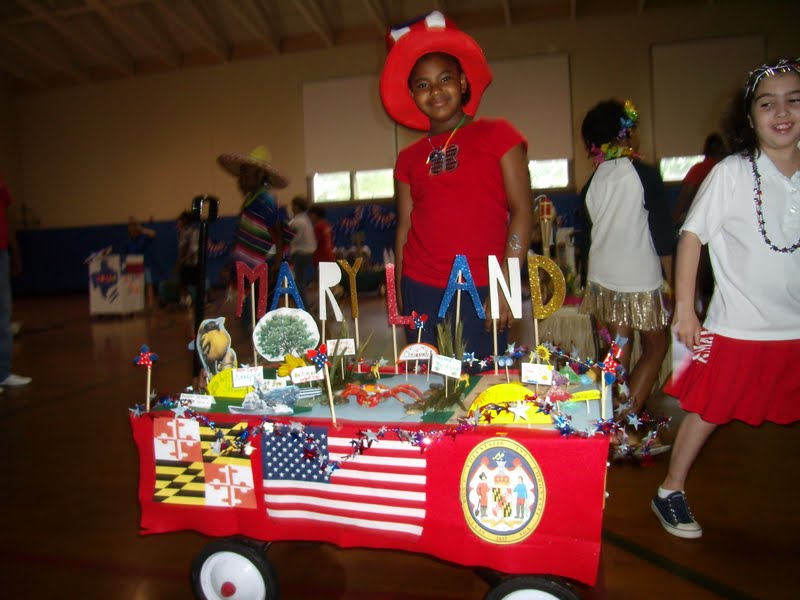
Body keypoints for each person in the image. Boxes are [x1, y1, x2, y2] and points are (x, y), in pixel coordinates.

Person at [652, 58, 800, 539]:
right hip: (735, 325)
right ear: (749, 116)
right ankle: (669, 490)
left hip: (795, 327)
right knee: (707, 409)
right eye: (767, 103)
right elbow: (691, 236)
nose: (781, 112)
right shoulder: (733, 173)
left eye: (794, 100)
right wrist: (686, 308)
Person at [380, 11, 531, 361]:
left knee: (483, 392)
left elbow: (522, 211)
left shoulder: (499, 135)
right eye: (422, 84)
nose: (435, 90)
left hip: (482, 287)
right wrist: (401, 294)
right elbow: (404, 229)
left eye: (445, 78)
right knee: (430, 392)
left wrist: (506, 286)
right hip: (420, 287)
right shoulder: (408, 158)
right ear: (412, 95)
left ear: (463, 82)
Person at [578, 99, 673, 415]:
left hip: (602, 278)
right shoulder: (642, 174)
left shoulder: (593, 182)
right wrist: (672, 280)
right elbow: (662, 233)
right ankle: (625, 419)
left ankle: (613, 415)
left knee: (618, 347)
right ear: (625, 133)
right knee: (657, 345)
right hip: (639, 278)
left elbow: (588, 234)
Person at [217, 146, 292, 328]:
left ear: (259, 176)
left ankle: (266, 352)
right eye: (241, 174)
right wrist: (230, 265)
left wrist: (276, 268)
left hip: (264, 267)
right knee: (250, 316)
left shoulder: (266, 200)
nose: (240, 180)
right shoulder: (250, 200)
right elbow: (243, 238)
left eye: (246, 174)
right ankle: (258, 351)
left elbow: (278, 236)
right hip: (253, 269)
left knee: (259, 316)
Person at [672, 133, 727, 317]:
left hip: (703, 226)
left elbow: (685, 194)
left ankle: (698, 307)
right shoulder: (722, 168)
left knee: (700, 270)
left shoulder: (705, 169)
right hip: (716, 228)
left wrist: (676, 215)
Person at [0, 175, 32, 389]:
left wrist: (15, 250)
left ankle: (2, 372)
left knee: (3, 311)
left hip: (1, 251)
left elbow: (6, 215)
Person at [288, 195, 316, 309]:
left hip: (301, 253)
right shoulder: (306, 219)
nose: (292, 208)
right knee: (300, 281)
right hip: (308, 253)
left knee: (299, 282)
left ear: (297, 207)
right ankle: (302, 305)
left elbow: (293, 238)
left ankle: (303, 306)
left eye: (293, 206)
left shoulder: (297, 222)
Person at [126, 217, 157, 310]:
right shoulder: (128, 241)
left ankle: (150, 304)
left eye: (134, 227)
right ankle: (135, 304)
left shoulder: (143, 237)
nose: (132, 229)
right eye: (130, 227)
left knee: (148, 283)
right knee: (134, 285)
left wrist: (142, 229)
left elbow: (153, 233)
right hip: (133, 266)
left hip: (145, 264)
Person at [176, 210, 200, 306]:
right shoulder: (182, 232)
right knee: (183, 282)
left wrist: (184, 259)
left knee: (194, 282)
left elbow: (193, 249)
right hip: (185, 262)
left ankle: (199, 299)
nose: (179, 222)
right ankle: (185, 299)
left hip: (192, 262)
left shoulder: (194, 232)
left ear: (185, 220)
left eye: (180, 220)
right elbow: (182, 248)